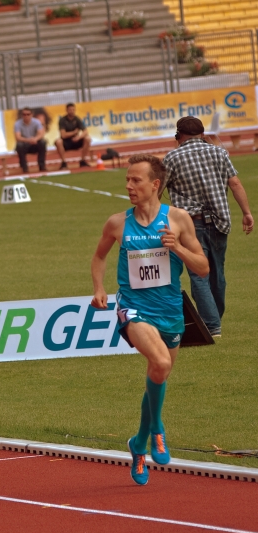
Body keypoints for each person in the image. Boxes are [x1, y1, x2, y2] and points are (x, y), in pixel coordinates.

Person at [91, 154, 208, 485]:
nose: (128, 185)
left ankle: (138, 443)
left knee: (159, 372)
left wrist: (177, 249)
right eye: (127, 180)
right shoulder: (117, 223)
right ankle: (157, 428)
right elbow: (99, 256)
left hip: (170, 310)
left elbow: (202, 267)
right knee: (158, 362)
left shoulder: (179, 220)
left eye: (135, 180)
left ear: (155, 185)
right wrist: (99, 288)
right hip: (133, 306)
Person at [163, 116, 254, 338]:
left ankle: (212, 325)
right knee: (217, 273)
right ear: (202, 134)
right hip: (220, 221)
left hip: (190, 223)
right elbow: (235, 183)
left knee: (198, 274)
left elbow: (158, 188)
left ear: (179, 136)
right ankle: (214, 318)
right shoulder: (220, 152)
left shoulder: (172, 157)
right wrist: (247, 213)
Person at [55, 102, 91, 169]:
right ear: (67, 110)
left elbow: (85, 131)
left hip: (76, 141)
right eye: (70, 110)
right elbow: (63, 135)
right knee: (58, 141)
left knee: (88, 138)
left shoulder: (77, 119)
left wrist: (79, 137)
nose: (72, 111)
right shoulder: (62, 120)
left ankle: (83, 161)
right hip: (66, 142)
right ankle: (63, 162)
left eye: (73, 110)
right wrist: (74, 133)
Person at [14, 107, 46, 173]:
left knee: (43, 142)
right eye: (24, 114)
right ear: (21, 115)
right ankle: (24, 167)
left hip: (34, 144)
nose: (26, 116)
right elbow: (18, 137)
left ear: (32, 114)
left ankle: (42, 165)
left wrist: (35, 139)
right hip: (24, 144)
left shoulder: (37, 122)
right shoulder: (17, 124)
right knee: (19, 145)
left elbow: (41, 134)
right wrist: (28, 140)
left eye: (28, 114)